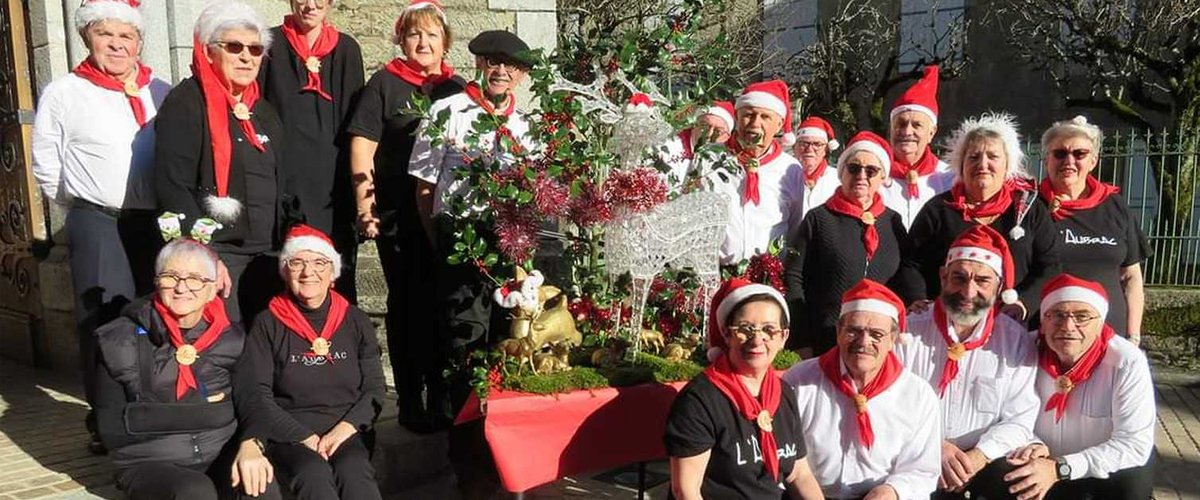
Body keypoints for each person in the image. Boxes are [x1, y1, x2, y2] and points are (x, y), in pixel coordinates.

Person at [31, 0, 171, 454]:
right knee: (105, 319)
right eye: (104, 34)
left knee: (158, 316)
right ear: (87, 38)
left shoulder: (162, 91)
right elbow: (46, 163)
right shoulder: (65, 92)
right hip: (99, 220)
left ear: (139, 41)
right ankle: (107, 420)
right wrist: (83, 204)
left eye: (125, 36)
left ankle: (155, 409)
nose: (116, 44)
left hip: (152, 223)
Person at [344, 0, 465, 432]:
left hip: (448, 219)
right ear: (402, 39)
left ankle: (445, 397)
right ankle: (412, 398)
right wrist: (366, 208)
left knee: (445, 307)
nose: (424, 42)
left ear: (445, 42)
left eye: (432, 34)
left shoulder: (458, 90)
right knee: (409, 308)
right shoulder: (384, 85)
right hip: (401, 217)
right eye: (415, 34)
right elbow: (363, 147)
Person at [408, 29, 537, 426]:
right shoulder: (447, 111)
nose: (501, 71)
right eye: (493, 62)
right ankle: (463, 426)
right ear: (479, 64)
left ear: (521, 75)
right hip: (461, 232)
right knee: (465, 329)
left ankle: (500, 420)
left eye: (510, 65)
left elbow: (535, 191)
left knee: (508, 328)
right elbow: (425, 187)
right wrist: (439, 236)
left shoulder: (527, 125)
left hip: (509, 237)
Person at [93, 238, 278, 499]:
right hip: (149, 460)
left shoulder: (232, 338)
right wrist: (215, 412)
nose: (181, 288)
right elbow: (110, 426)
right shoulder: (118, 338)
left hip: (219, 451)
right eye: (170, 276)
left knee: (260, 486)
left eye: (195, 278)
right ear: (157, 281)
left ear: (213, 288)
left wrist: (252, 444)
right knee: (194, 492)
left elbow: (253, 400)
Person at [156, 1, 292, 324]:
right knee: (228, 353)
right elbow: (172, 184)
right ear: (209, 51)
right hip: (221, 254)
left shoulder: (264, 110)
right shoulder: (186, 102)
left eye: (256, 49)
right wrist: (201, 256)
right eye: (234, 47)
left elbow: (283, 181)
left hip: (268, 253)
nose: (246, 56)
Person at [235, 224, 386, 499]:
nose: (308, 272)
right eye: (297, 263)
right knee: (312, 474)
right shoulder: (267, 323)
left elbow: (375, 388)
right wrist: (303, 436)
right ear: (285, 271)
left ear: (333, 273)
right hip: (290, 431)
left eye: (319, 262)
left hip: (346, 428)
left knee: (354, 471)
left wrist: (343, 430)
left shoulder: (356, 320)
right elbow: (256, 393)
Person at [894, 225, 1039, 499]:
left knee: (1021, 479)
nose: (968, 291)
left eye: (982, 281)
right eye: (958, 278)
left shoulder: (1016, 341)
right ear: (943, 276)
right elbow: (889, 406)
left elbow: (1020, 418)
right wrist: (934, 447)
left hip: (982, 462)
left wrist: (977, 457)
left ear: (999, 287)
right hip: (914, 455)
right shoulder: (908, 333)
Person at [664, 278, 824, 499]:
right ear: (726, 333)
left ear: (783, 337)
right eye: (745, 329)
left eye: (769, 330)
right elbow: (685, 491)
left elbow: (799, 473)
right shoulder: (700, 400)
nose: (757, 340)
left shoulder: (783, 392)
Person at [897, 112, 1061, 324]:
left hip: (1013, 323)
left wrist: (1023, 302)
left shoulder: (1030, 210)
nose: (983, 164)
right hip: (947, 322)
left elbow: (1050, 266)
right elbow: (911, 263)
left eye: (992, 156)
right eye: (973, 157)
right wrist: (918, 298)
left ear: (1007, 165)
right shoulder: (939, 209)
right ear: (961, 165)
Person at [783, 279, 941, 499]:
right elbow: (784, 454)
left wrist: (892, 491)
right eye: (853, 331)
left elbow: (922, 469)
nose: (863, 342)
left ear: (893, 339)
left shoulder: (918, 395)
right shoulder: (800, 380)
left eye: (876, 334)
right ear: (838, 331)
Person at [1003, 274, 1155, 500]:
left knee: (1132, 480)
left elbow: (1133, 444)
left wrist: (1061, 467)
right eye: (1057, 315)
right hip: (1040, 464)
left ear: (1101, 322)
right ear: (1043, 322)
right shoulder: (1023, 350)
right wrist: (1031, 443)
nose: (1068, 326)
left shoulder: (1127, 361)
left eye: (1082, 316)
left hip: (1098, 471)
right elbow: (1003, 414)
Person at [259, 0, 365, 301]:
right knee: (284, 274)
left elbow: (356, 124)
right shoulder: (269, 44)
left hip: (332, 188)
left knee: (335, 275)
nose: (311, 4)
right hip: (284, 183)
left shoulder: (346, 50)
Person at [784, 131, 907, 354]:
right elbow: (794, 277)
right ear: (842, 172)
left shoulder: (893, 222)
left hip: (874, 347)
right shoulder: (819, 219)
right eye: (854, 168)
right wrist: (802, 340)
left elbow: (903, 277)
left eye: (871, 170)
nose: (862, 175)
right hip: (824, 340)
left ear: (882, 177)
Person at [1038, 116, 1150, 343]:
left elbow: (1131, 277)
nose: (1069, 161)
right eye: (1060, 153)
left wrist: (1133, 337)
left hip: (1109, 338)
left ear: (1093, 161)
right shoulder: (1031, 208)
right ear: (1046, 160)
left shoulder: (1115, 206)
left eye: (1079, 154)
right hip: (1048, 338)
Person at [711, 79, 805, 264]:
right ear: (736, 118)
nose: (755, 124)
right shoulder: (709, 159)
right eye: (749, 115)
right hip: (716, 275)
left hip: (767, 277)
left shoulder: (790, 169)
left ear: (779, 125)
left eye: (765, 117)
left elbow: (795, 227)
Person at [882, 65, 955, 229]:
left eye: (917, 125)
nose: (907, 131)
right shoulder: (873, 176)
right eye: (900, 124)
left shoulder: (949, 178)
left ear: (931, 132)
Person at [660, 101, 735, 191]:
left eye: (718, 131)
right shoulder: (669, 148)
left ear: (726, 137)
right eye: (705, 126)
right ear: (694, 125)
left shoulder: (728, 163)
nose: (709, 134)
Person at [793, 116, 841, 219]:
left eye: (817, 144)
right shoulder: (783, 175)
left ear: (826, 150)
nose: (809, 149)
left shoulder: (839, 179)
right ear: (795, 147)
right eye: (803, 143)